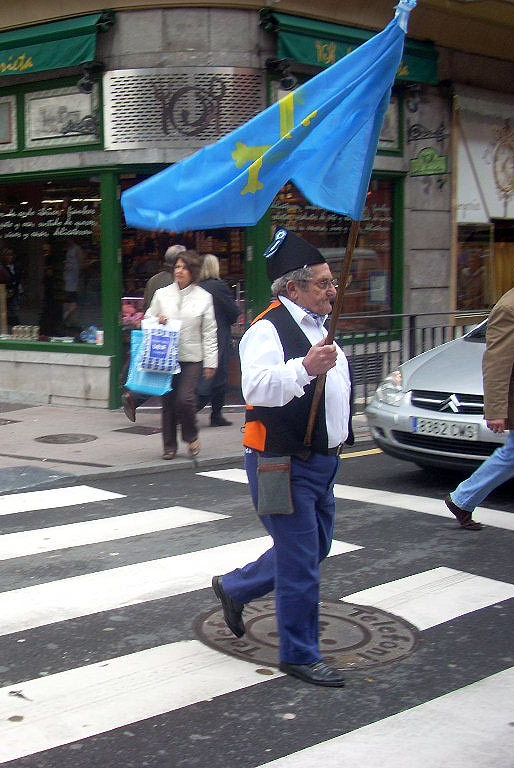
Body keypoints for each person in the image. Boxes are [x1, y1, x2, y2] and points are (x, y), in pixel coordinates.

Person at [210, 229, 353, 688]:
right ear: (293, 287)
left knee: (316, 548)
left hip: (321, 462)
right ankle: (300, 653)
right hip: (281, 463)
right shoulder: (267, 329)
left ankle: (235, 587)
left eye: (332, 281)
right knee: (299, 562)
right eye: (324, 282)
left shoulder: (318, 325)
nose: (333, 290)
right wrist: (305, 368)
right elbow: (255, 387)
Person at [444, 278, 514, 529]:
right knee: (513, 453)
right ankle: (463, 498)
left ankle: (463, 499)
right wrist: (496, 410)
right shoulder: (511, 306)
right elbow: (497, 362)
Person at [146, 250, 217, 459]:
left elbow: (209, 332)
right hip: (165, 356)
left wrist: (211, 362)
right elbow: (148, 318)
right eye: (177, 267)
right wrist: (157, 318)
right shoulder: (162, 294)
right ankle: (169, 446)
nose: (179, 271)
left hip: (192, 357)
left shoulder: (204, 297)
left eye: (184, 267)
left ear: (192, 271)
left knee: (184, 400)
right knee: (168, 402)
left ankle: (191, 435)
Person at [121, 244, 185, 422]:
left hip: (157, 332)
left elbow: (147, 306)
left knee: (162, 372)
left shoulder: (153, 280)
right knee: (170, 373)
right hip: (172, 333)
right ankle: (138, 398)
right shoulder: (178, 281)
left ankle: (137, 398)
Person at [196, 254, 241, 427]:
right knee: (219, 374)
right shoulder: (218, 286)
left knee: (203, 373)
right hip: (218, 334)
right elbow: (233, 311)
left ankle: (212, 413)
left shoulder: (197, 286)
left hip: (200, 335)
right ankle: (215, 414)